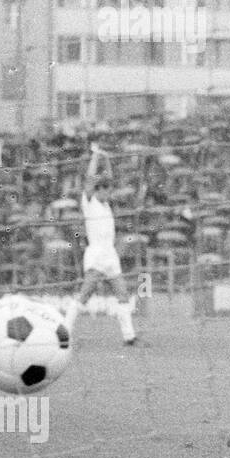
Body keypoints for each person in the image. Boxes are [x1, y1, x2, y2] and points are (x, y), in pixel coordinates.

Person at [64, 144, 137, 345]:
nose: (108, 193)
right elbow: (89, 179)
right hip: (96, 254)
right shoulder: (89, 202)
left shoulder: (106, 206)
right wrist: (96, 156)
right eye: (105, 190)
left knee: (122, 294)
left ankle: (129, 336)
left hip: (110, 255)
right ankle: (64, 330)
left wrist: (106, 158)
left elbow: (109, 178)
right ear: (98, 190)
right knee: (85, 294)